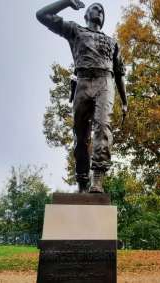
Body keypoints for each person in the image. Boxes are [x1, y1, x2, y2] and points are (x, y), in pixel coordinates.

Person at [36, 0, 128, 193]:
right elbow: (42, 15)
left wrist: (125, 102)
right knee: (81, 136)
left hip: (105, 83)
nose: (99, 11)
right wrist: (66, 2)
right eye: (95, 8)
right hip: (83, 82)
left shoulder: (112, 42)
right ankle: (82, 179)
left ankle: (98, 180)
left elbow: (119, 74)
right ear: (85, 14)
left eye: (102, 10)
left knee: (103, 127)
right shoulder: (75, 30)